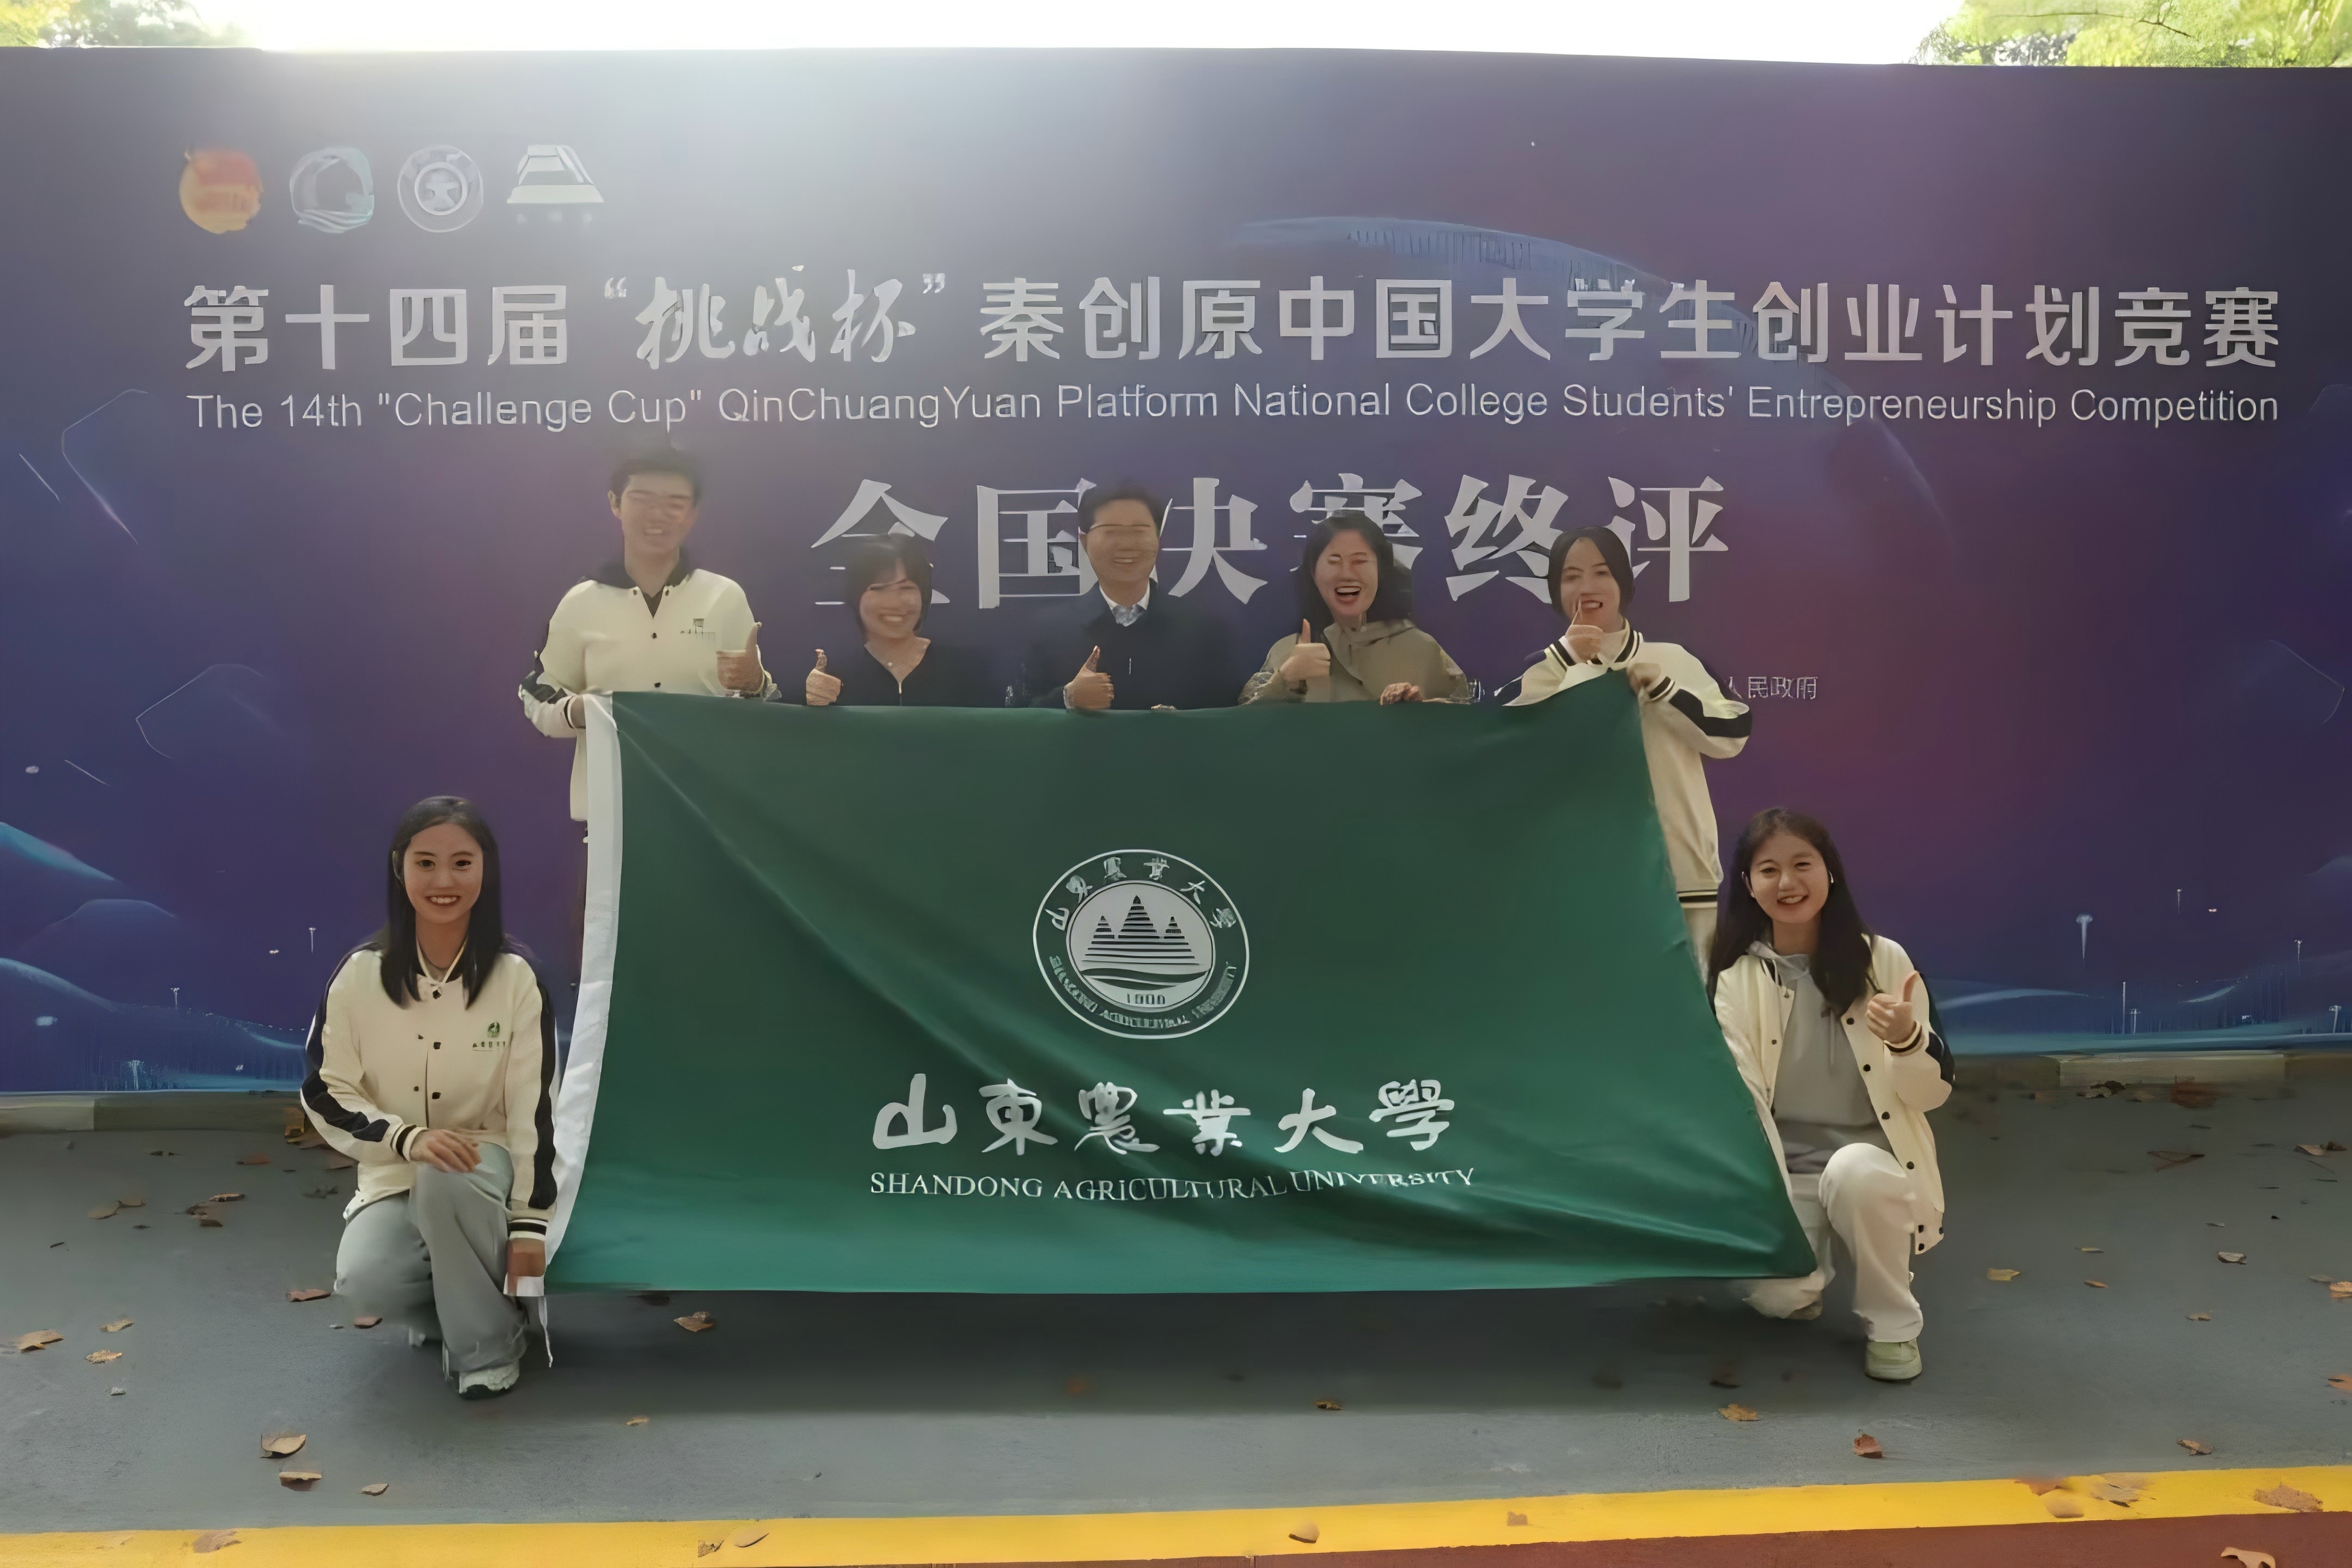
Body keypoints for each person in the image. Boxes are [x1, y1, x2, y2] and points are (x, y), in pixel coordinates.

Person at [302, 797, 556, 1400]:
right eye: (426, 863)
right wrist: (405, 1138)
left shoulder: (516, 978)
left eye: (462, 863)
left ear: (486, 869)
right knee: (365, 1281)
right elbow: (325, 1088)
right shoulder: (359, 975)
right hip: (398, 1166)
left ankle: (489, 1348)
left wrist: (530, 1225)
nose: (445, 880)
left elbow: (536, 1110)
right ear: (400, 867)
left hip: (486, 1171)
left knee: (447, 1176)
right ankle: (453, 1312)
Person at [1708, 808, 1951, 1383]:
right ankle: (1805, 1274)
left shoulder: (1884, 960)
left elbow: (1931, 1094)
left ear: (1830, 872)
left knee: (1856, 1173)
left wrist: (1907, 1040)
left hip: (1870, 1165)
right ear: (1748, 884)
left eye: (1803, 865)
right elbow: (1740, 1102)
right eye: (1769, 870)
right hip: (1784, 1171)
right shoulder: (1735, 978)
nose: (1787, 883)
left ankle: (1893, 1327)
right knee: (1781, 1298)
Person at [1504, 526, 1749, 965]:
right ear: (1556, 590)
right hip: (1582, 881)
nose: (1587, 587)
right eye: (1571, 576)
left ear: (1623, 583)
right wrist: (1566, 658)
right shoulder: (1545, 672)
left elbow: (1733, 732)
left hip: (1681, 878)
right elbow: (1498, 736)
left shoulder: (1674, 660)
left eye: (1602, 573)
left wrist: (1667, 692)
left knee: (1691, 1000)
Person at [519, 450, 775, 822]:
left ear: (693, 513)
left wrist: (755, 685)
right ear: (615, 503)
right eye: (642, 499)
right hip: (612, 813)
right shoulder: (581, 603)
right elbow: (538, 695)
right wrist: (578, 712)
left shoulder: (724, 597)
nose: (658, 515)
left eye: (675, 503)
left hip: (707, 810)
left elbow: (758, 706)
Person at [1015, 483, 1236, 710]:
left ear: (1158, 539)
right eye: (1110, 532)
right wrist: (1067, 698)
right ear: (1084, 541)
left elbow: (1223, 716)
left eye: (1139, 532)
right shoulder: (1050, 629)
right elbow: (1020, 717)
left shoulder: (1201, 628)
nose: (1127, 545)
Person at [1240, 514, 1468, 705]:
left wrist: (1423, 706)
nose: (1347, 574)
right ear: (1313, 572)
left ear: (1381, 571)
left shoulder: (1421, 647)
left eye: (1360, 561)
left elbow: (1464, 714)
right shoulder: (1290, 650)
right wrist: (1284, 680)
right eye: (1334, 561)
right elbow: (1244, 722)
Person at [791, 537, 994, 707]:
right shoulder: (831, 676)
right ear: (856, 596)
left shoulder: (964, 671)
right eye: (879, 589)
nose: (895, 602)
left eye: (906, 588)